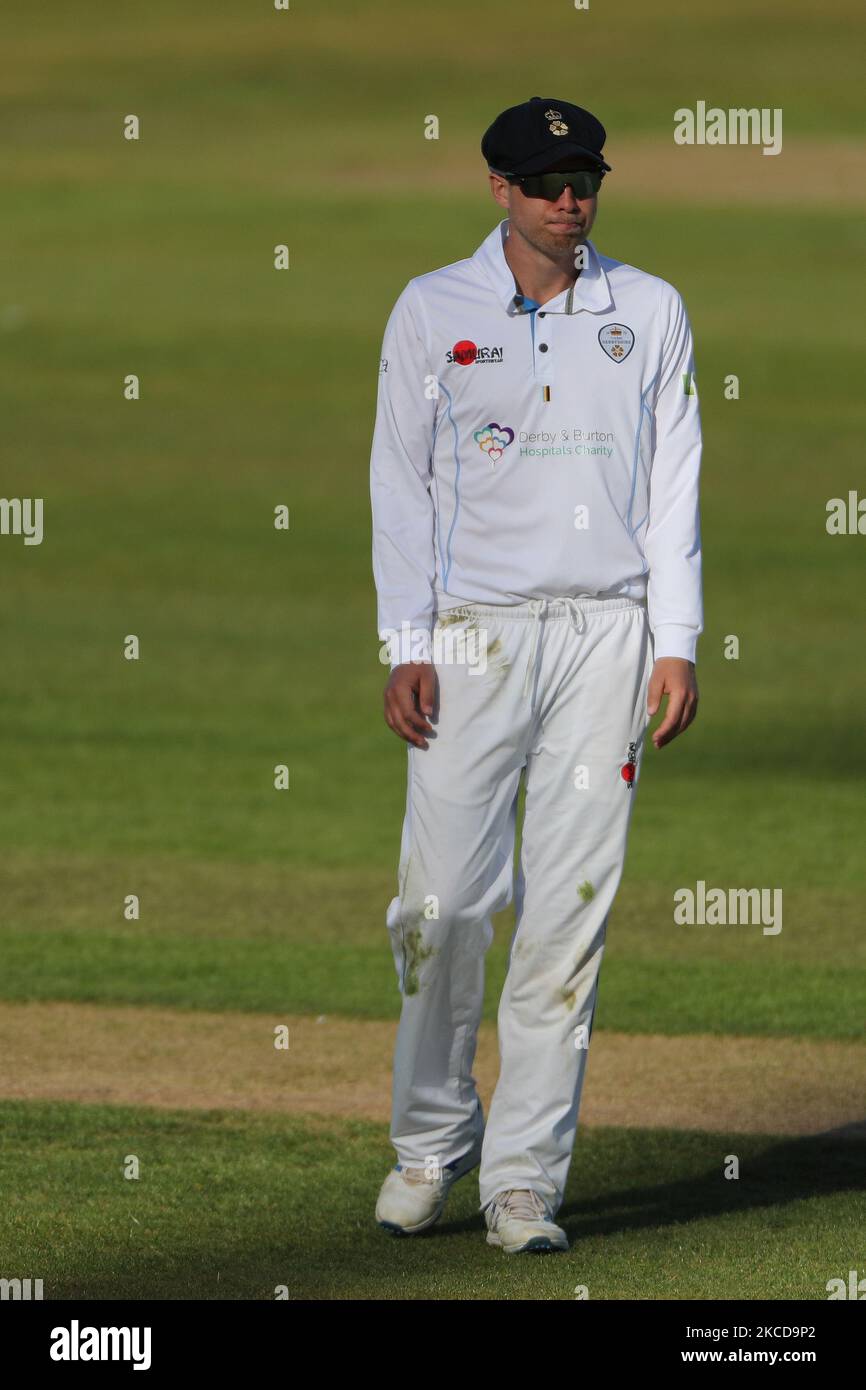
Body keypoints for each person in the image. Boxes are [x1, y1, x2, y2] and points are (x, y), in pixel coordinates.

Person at [369, 96, 702, 1254]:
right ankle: (427, 1142)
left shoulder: (647, 309)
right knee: (442, 904)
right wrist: (403, 642)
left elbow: (672, 486)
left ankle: (521, 1183)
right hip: (472, 637)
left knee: (567, 918)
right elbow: (397, 485)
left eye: (585, 179)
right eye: (547, 182)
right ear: (498, 190)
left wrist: (677, 639)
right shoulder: (431, 309)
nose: (571, 199)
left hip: (604, 635)